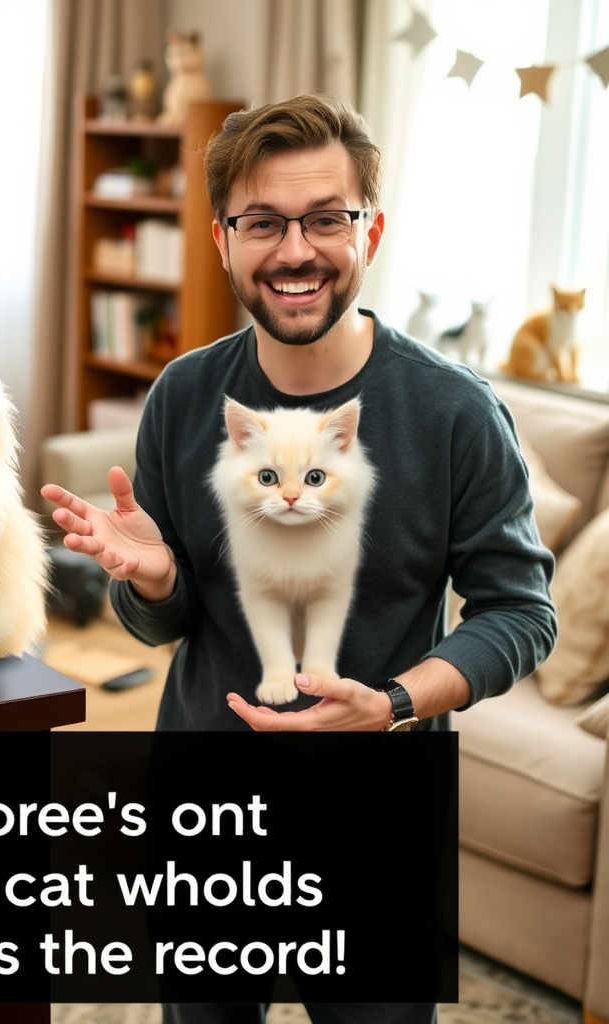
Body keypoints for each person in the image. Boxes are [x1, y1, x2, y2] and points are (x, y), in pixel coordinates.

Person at [41, 93, 556, 1023]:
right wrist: (155, 582)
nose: (295, 251)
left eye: (327, 218)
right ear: (221, 239)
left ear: (373, 230)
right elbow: (165, 619)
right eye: (264, 222)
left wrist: (395, 703)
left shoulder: (454, 414)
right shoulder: (185, 397)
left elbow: (522, 612)